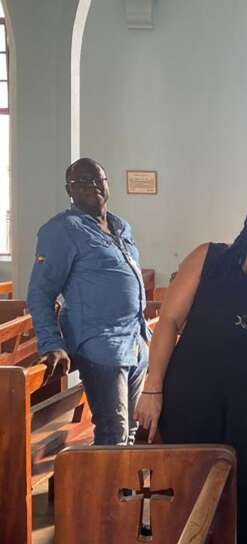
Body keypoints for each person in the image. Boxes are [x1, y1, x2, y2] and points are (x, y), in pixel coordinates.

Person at [134, 194, 247, 544]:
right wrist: (153, 388)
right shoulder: (210, 257)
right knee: (189, 485)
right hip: (191, 393)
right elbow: (168, 321)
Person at [27, 157, 149, 446]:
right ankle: (104, 492)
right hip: (101, 347)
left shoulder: (121, 227)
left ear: (107, 185)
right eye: (80, 181)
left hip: (135, 341)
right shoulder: (62, 230)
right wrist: (51, 344)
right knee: (113, 434)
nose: (90, 185)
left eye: (96, 179)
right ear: (69, 189)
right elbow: (40, 292)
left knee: (132, 431)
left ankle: (124, 491)